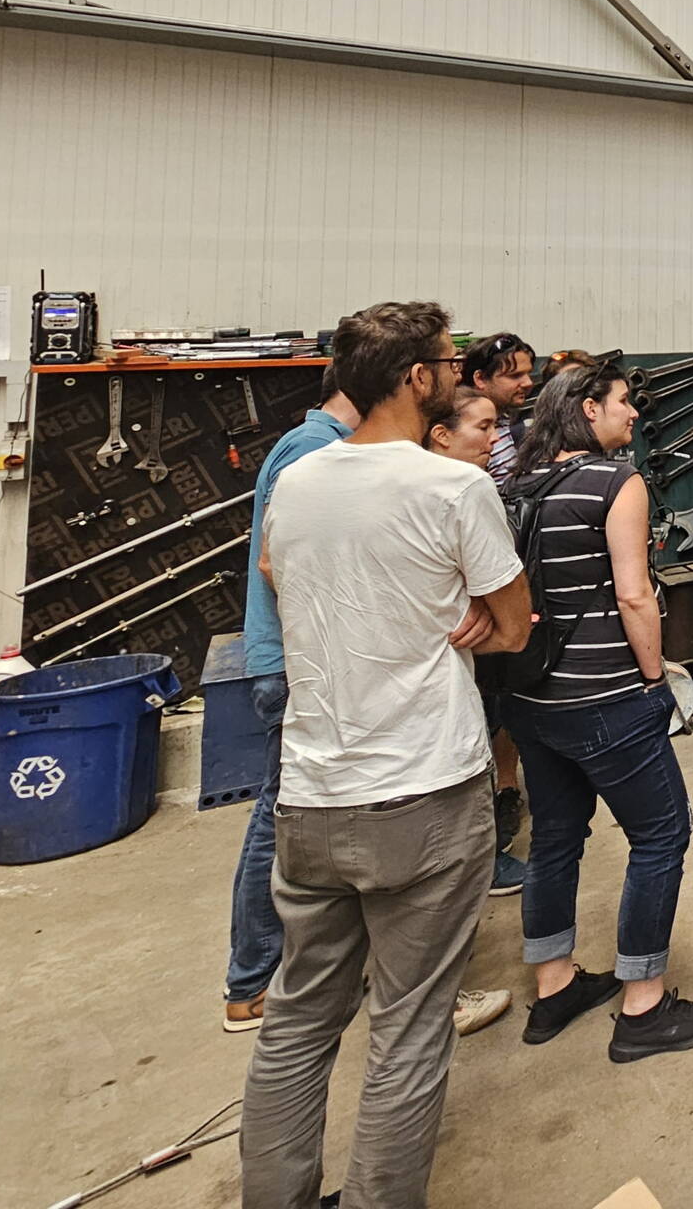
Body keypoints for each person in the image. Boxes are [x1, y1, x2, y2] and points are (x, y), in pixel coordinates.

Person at [237, 303, 532, 1209]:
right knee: (408, 1031)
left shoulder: (297, 480)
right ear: (416, 378)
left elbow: (276, 573)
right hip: (424, 791)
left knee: (297, 1023)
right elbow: (514, 624)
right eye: (448, 360)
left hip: (312, 795)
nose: (459, 372)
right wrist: (457, 614)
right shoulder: (452, 489)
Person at [504, 363, 693, 1062]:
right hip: (606, 698)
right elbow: (634, 594)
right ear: (587, 408)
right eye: (623, 403)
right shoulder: (615, 482)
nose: (632, 415)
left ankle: (554, 987)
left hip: (531, 700)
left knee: (554, 838)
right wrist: (657, 679)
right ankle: (643, 1007)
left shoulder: (516, 484)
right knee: (661, 835)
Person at [218, 365, 354, 1036]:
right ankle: (253, 981)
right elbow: (280, 563)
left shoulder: (320, 444)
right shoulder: (313, 450)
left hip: (302, 659)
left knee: (298, 815)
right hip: (296, 663)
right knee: (280, 818)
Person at [423, 390, 526, 1037]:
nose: (495, 439)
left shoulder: (318, 482)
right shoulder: (462, 489)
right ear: (440, 432)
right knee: (436, 867)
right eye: (483, 427)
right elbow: (513, 623)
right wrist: (489, 620)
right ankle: (436, 999)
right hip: (432, 712)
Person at [462, 332, 537, 485]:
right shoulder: (464, 432)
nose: (528, 382)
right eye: (515, 375)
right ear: (480, 378)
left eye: (528, 373)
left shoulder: (504, 418)